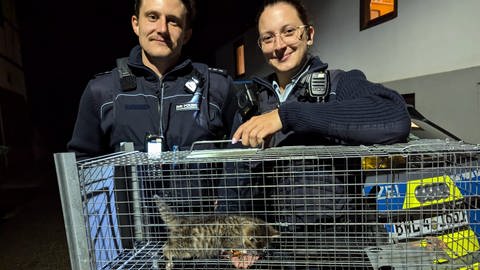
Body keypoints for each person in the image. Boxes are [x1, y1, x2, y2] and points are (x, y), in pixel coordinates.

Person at [221, 0, 411, 268]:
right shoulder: (252, 102)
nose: (279, 45)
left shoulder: (340, 84)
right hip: (274, 251)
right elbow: (234, 174)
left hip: (337, 251)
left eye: (289, 31)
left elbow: (395, 118)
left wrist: (287, 116)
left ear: (308, 34)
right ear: (261, 46)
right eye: (268, 37)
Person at [67, 0, 238, 159]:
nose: (162, 29)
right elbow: (81, 165)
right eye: (153, 17)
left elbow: (244, 156)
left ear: (186, 34)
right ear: (136, 24)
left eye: (173, 21)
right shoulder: (101, 92)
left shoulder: (217, 87)